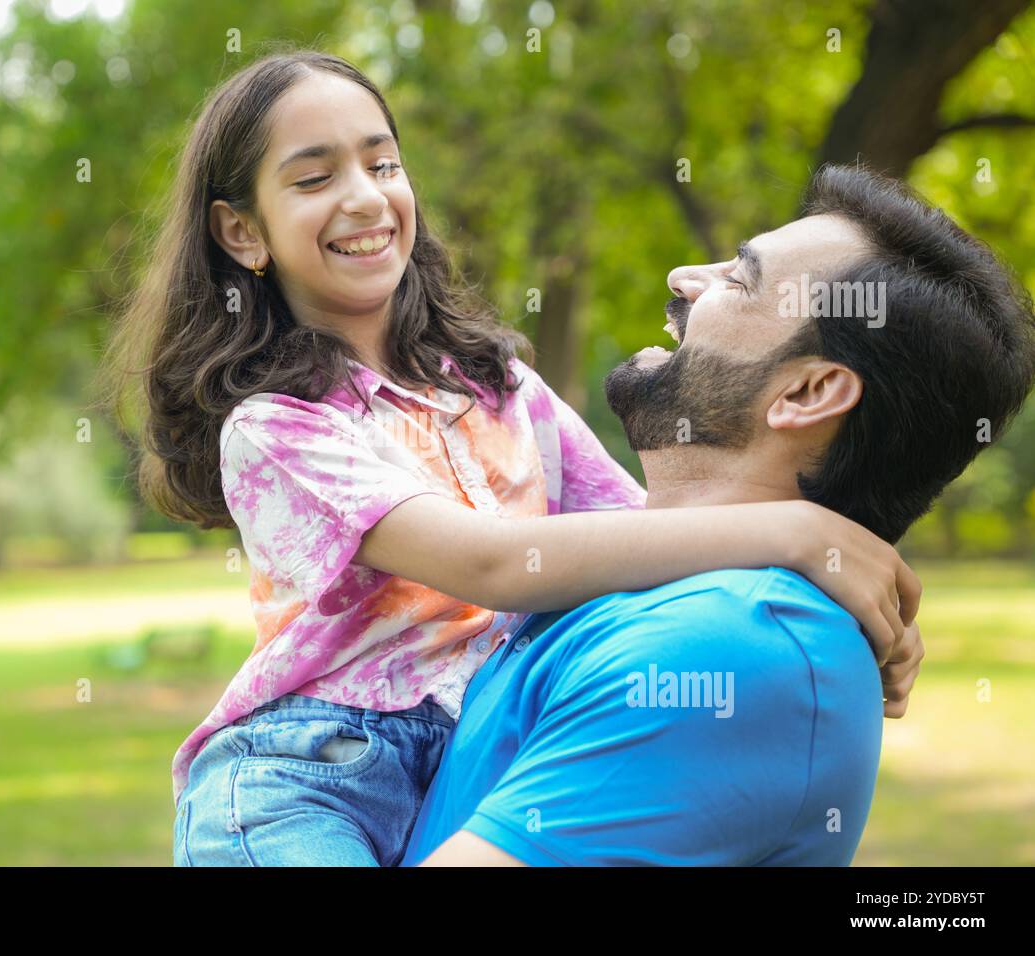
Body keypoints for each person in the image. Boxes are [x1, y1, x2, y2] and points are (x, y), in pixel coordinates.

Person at [108, 52, 920, 867]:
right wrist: (799, 533)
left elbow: (651, 533)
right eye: (313, 179)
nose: (365, 195)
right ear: (242, 232)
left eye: (382, 161)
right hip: (306, 779)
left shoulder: (499, 384)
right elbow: (490, 563)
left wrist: (849, 603)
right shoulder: (278, 429)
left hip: (456, 754)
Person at [401, 165, 1035, 866]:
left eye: (740, 278)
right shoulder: (657, 584)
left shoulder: (730, 646)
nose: (682, 276)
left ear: (808, 391)